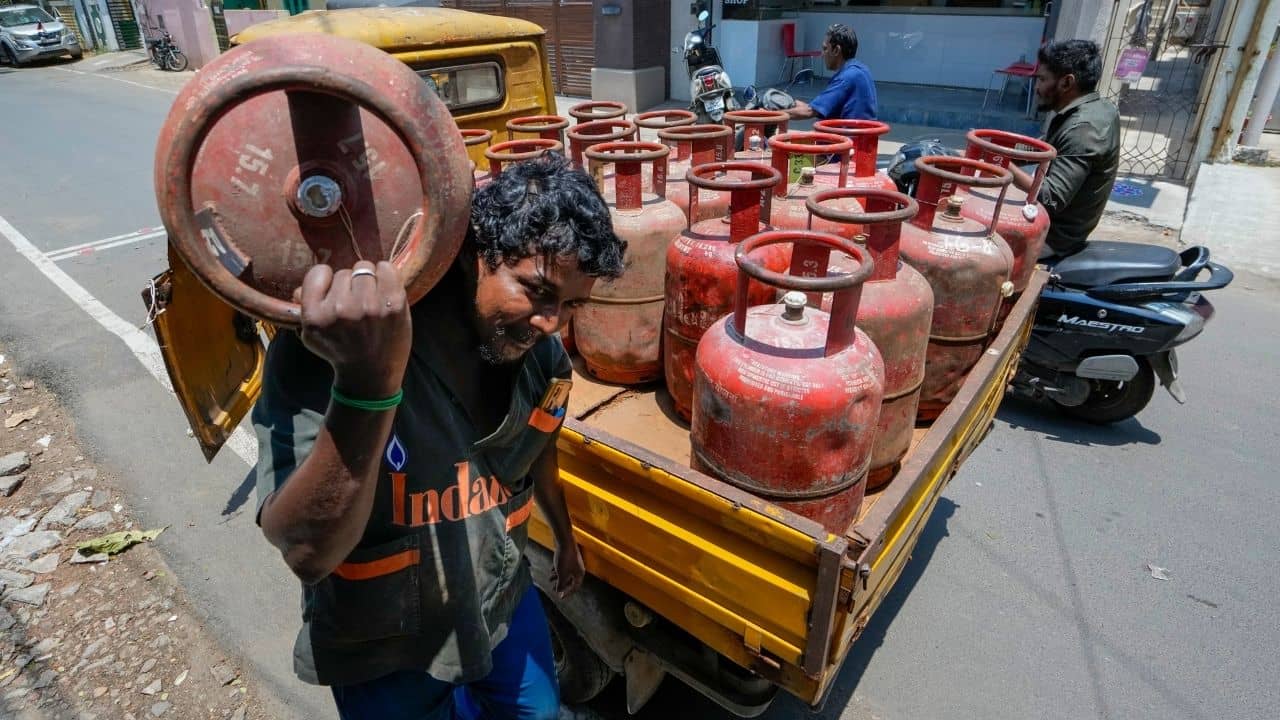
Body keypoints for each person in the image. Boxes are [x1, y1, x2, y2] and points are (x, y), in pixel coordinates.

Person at [251, 154, 627, 720]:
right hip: (384, 642)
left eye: (572, 305)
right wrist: (367, 387)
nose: (554, 323)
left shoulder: (542, 362)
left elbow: (538, 446)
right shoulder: (337, 356)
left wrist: (566, 538)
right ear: (474, 256)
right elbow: (308, 552)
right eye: (538, 290)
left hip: (497, 598)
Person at [1021, 39, 1121, 257]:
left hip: (1052, 238)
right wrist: (994, 150)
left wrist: (1002, 165)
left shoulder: (1083, 129)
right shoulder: (1096, 108)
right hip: (1060, 226)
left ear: (1066, 83)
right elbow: (1043, 148)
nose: (1036, 88)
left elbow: (1051, 197)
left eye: (1042, 79)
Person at [786, 23, 877, 121]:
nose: (822, 54)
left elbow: (809, 112)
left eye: (825, 49)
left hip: (847, 135)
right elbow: (817, 107)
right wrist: (790, 102)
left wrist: (772, 114)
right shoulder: (860, 70)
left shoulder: (846, 78)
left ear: (836, 50)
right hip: (860, 133)